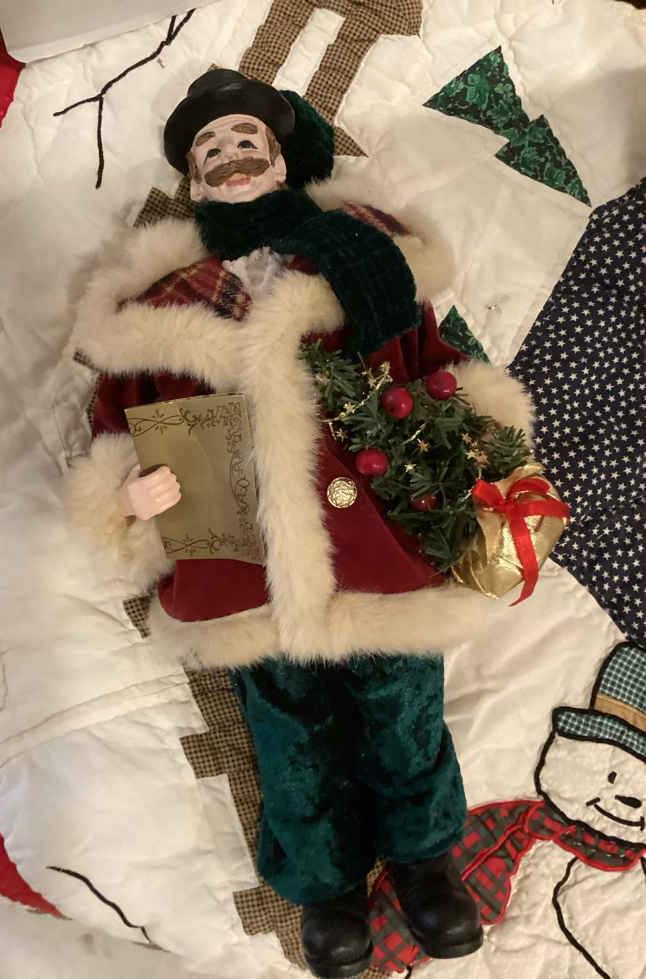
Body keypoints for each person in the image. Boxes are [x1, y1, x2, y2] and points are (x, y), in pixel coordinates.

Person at [65, 69, 534, 978]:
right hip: (245, 568)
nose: (229, 156)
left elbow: (437, 360)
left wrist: (478, 443)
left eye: (245, 140)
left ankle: (426, 860)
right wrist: (123, 497)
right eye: (209, 150)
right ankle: (326, 887)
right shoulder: (162, 306)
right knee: (290, 739)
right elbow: (114, 425)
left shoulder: (362, 259)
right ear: (193, 182)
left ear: (280, 158)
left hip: (381, 545)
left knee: (406, 714)